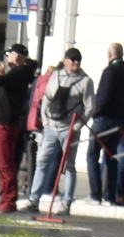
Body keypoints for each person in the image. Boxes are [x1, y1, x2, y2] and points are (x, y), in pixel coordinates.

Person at [30, 46, 93, 214]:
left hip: (69, 129)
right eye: (73, 59)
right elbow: (46, 99)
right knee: (42, 162)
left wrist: (78, 125)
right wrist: (45, 122)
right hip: (51, 126)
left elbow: (89, 107)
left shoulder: (85, 81)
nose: (76, 62)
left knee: (69, 166)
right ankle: (33, 199)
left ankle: (66, 203)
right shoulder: (56, 76)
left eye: (78, 59)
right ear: (65, 60)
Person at [0, 43, 36, 212]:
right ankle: (4, 198)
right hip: (1, 122)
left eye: (9, 54)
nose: (7, 57)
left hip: (6, 123)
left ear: (16, 56)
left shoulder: (20, 73)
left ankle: (9, 200)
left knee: (5, 163)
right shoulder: (17, 73)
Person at [88, 42, 124, 205]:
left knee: (92, 154)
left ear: (110, 55)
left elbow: (104, 96)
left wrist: (95, 112)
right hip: (121, 120)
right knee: (111, 156)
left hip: (105, 118)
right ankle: (110, 196)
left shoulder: (110, 71)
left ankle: (95, 194)